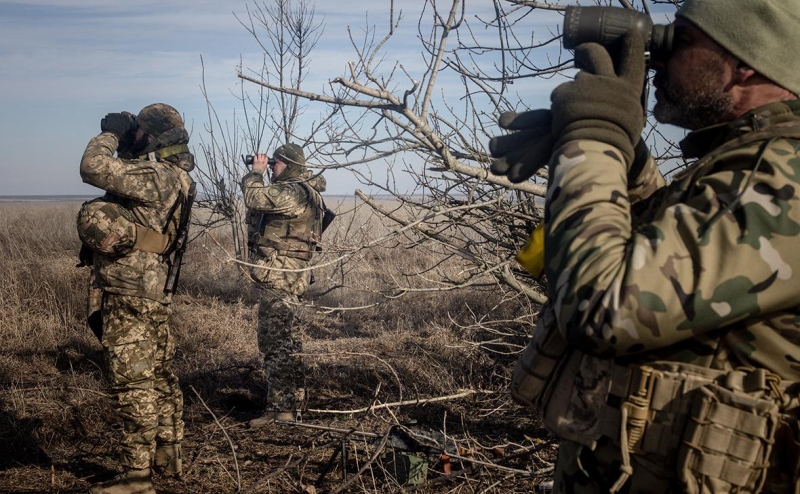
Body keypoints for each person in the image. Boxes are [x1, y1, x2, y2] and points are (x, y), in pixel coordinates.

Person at [492, 0, 800, 492]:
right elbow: (672, 261)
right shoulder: (753, 163)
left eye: (681, 40)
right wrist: (627, 161)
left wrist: (595, 137)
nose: (654, 57)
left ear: (745, 60)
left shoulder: (786, 175)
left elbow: (606, 303)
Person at [77, 103, 195, 494]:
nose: (134, 138)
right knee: (159, 375)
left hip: (130, 292)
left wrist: (111, 133)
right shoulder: (174, 175)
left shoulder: (156, 175)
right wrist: (132, 144)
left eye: (140, 133)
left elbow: (92, 167)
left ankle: (137, 481)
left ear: (156, 137)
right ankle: (168, 454)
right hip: (152, 291)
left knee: (133, 385)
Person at [241, 143, 327, 428]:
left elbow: (254, 197)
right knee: (290, 341)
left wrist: (255, 173)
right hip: (291, 276)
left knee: (275, 343)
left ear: (287, 165)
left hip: (281, 276)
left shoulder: (293, 191)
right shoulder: (307, 192)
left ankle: (279, 411)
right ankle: (295, 403)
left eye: (274, 164)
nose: (270, 169)